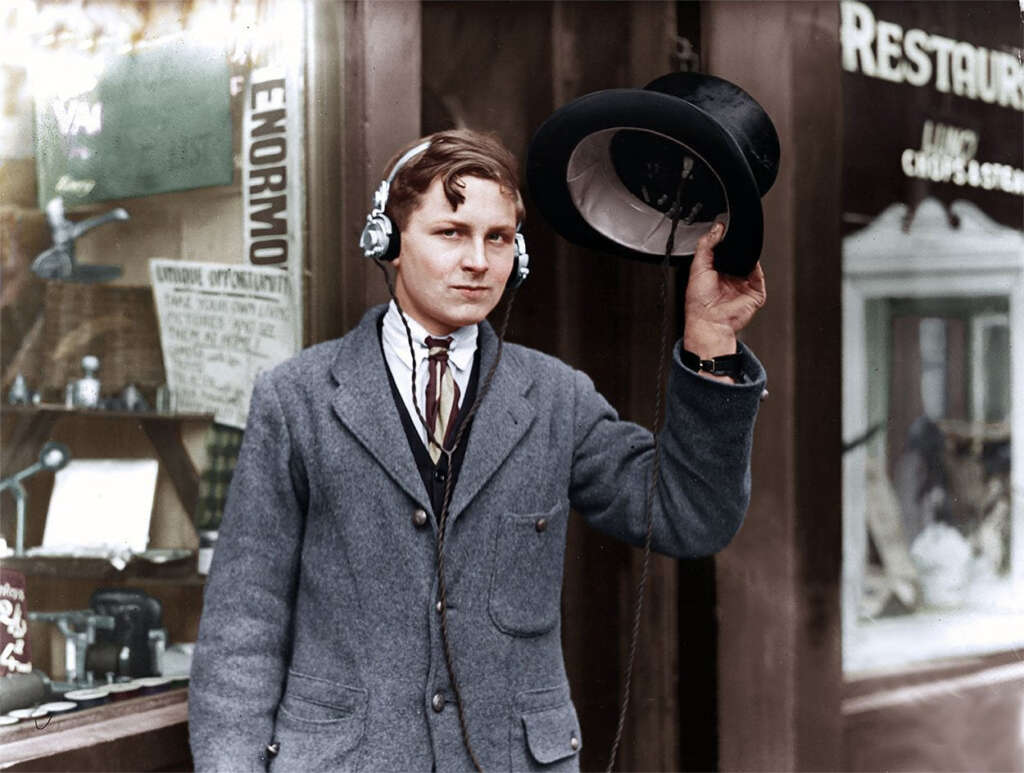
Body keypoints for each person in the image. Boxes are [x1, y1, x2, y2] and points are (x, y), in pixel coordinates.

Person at [189, 129, 767, 772]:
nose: (478, 261)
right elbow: (243, 627)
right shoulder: (296, 400)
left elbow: (692, 513)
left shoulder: (556, 398)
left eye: (497, 239)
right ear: (387, 241)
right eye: (450, 233)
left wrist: (710, 339)